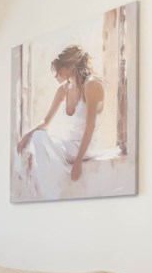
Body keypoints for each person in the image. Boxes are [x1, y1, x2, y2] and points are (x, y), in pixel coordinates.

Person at [16, 45, 105, 196]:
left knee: (38, 140)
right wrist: (27, 135)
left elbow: (90, 126)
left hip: (86, 148)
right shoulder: (63, 90)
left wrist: (78, 161)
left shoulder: (92, 85)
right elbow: (46, 121)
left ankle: (54, 189)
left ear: (70, 67)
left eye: (58, 70)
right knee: (35, 139)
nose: (56, 75)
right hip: (69, 146)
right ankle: (46, 190)